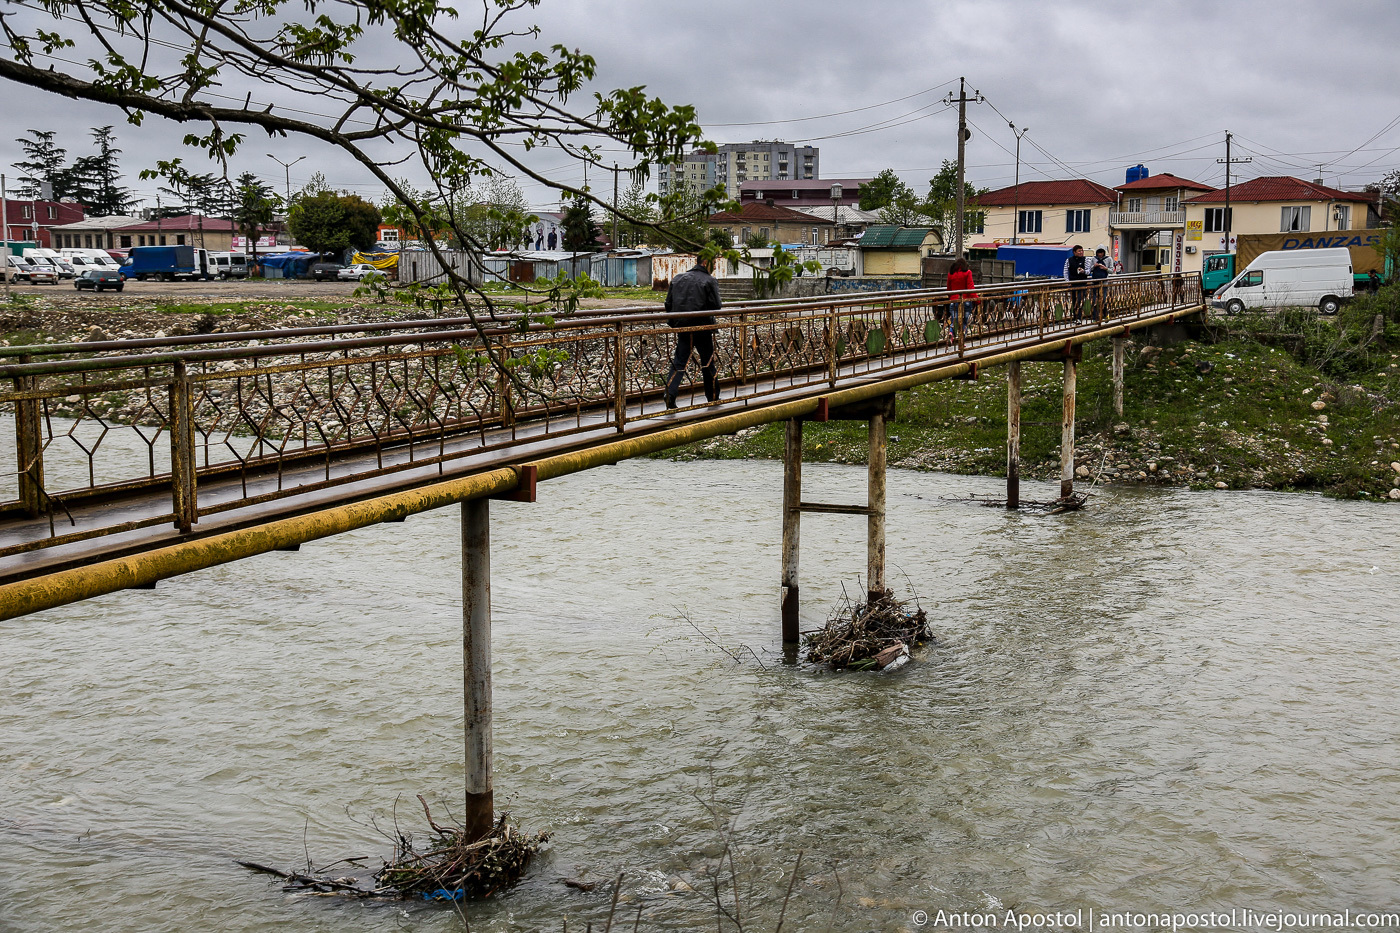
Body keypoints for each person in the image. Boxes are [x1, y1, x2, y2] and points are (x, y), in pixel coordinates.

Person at [663, 254, 722, 408]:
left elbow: (668, 303)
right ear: (705, 262)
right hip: (702, 327)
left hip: (683, 326)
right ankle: (713, 397)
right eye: (713, 263)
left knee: (679, 361)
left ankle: (670, 393)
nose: (715, 267)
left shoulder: (678, 278)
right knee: (707, 362)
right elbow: (717, 305)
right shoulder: (709, 281)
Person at [945, 258, 977, 338]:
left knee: (954, 320)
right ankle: (962, 339)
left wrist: (951, 297)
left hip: (954, 300)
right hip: (965, 300)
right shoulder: (967, 273)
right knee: (964, 321)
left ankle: (951, 333)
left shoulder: (951, 274)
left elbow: (949, 288)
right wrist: (977, 300)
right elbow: (970, 288)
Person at [1063, 245, 1089, 319]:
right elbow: (1065, 271)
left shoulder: (1086, 259)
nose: (1081, 252)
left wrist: (1083, 271)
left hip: (1082, 282)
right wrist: (1067, 281)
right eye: (1079, 251)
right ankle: (1075, 316)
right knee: (1074, 300)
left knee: (1080, 299)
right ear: (1074, 252)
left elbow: (1088, 271)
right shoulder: (1069, 260)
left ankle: (1079, 317)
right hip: (1073, 283)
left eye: (1082, 251)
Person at [1089, 247, 1112, 317]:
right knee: (1094, 299)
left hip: (1104, 282)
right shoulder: (1093, 259)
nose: (1100, 254)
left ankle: (1105, 314)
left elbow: (1111, 270)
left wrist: (1105, 268)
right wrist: (1094, 266)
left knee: (1103, 298)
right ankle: (1095, 316)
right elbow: (1089, 269)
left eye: (1101, 253)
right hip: (1095, 281)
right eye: (1099, 253)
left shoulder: (1109, 259)